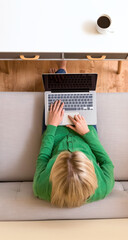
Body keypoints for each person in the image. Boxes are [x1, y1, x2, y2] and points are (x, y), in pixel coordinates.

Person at [33, 61, 115, 208]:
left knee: (53, 98)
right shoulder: (104, 186)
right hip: (84, 132)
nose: (70, 150)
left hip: (55, 134)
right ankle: (60, 73)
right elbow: (106, 163)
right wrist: (87, 133)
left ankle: (60, 73)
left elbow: (44, 157)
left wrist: (52, 126)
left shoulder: (41, 188)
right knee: (81, 94)